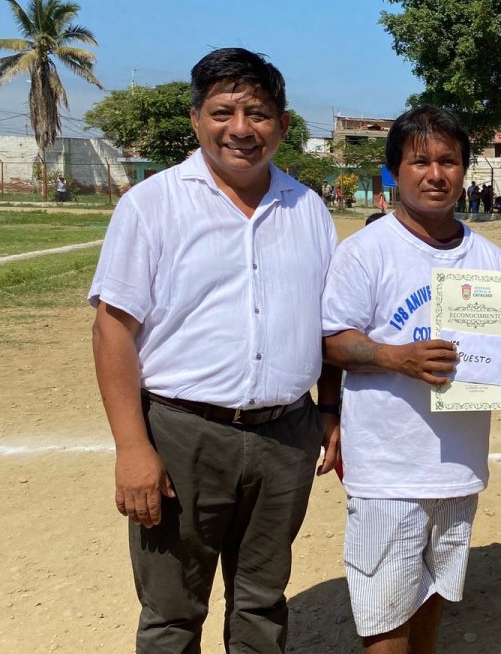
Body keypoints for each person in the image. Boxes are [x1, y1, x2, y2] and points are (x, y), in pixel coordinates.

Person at [89, 47, 341, 653]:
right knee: (173, 614)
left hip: (286, 435)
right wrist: (132, 447)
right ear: (196, 118)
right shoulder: (151, 206)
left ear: (282, 124)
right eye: (223, 111)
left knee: (262, 604)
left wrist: (330, 410)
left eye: (257, 113)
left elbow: (332, 326)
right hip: (183, 436)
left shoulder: (308, 209)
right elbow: (112, 330)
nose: (241, 129)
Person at [321, 105, 501, 654]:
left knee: (432, 598)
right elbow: (331, 341)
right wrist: (397, 357)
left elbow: (493, 371)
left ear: (464, 170)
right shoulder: (365, 253)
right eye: (419, 160)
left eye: (448, 160)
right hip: (389, 469)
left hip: (458, 468)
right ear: (394, 172)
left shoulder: (490, 260)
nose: (435, 173)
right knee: (384, 618)